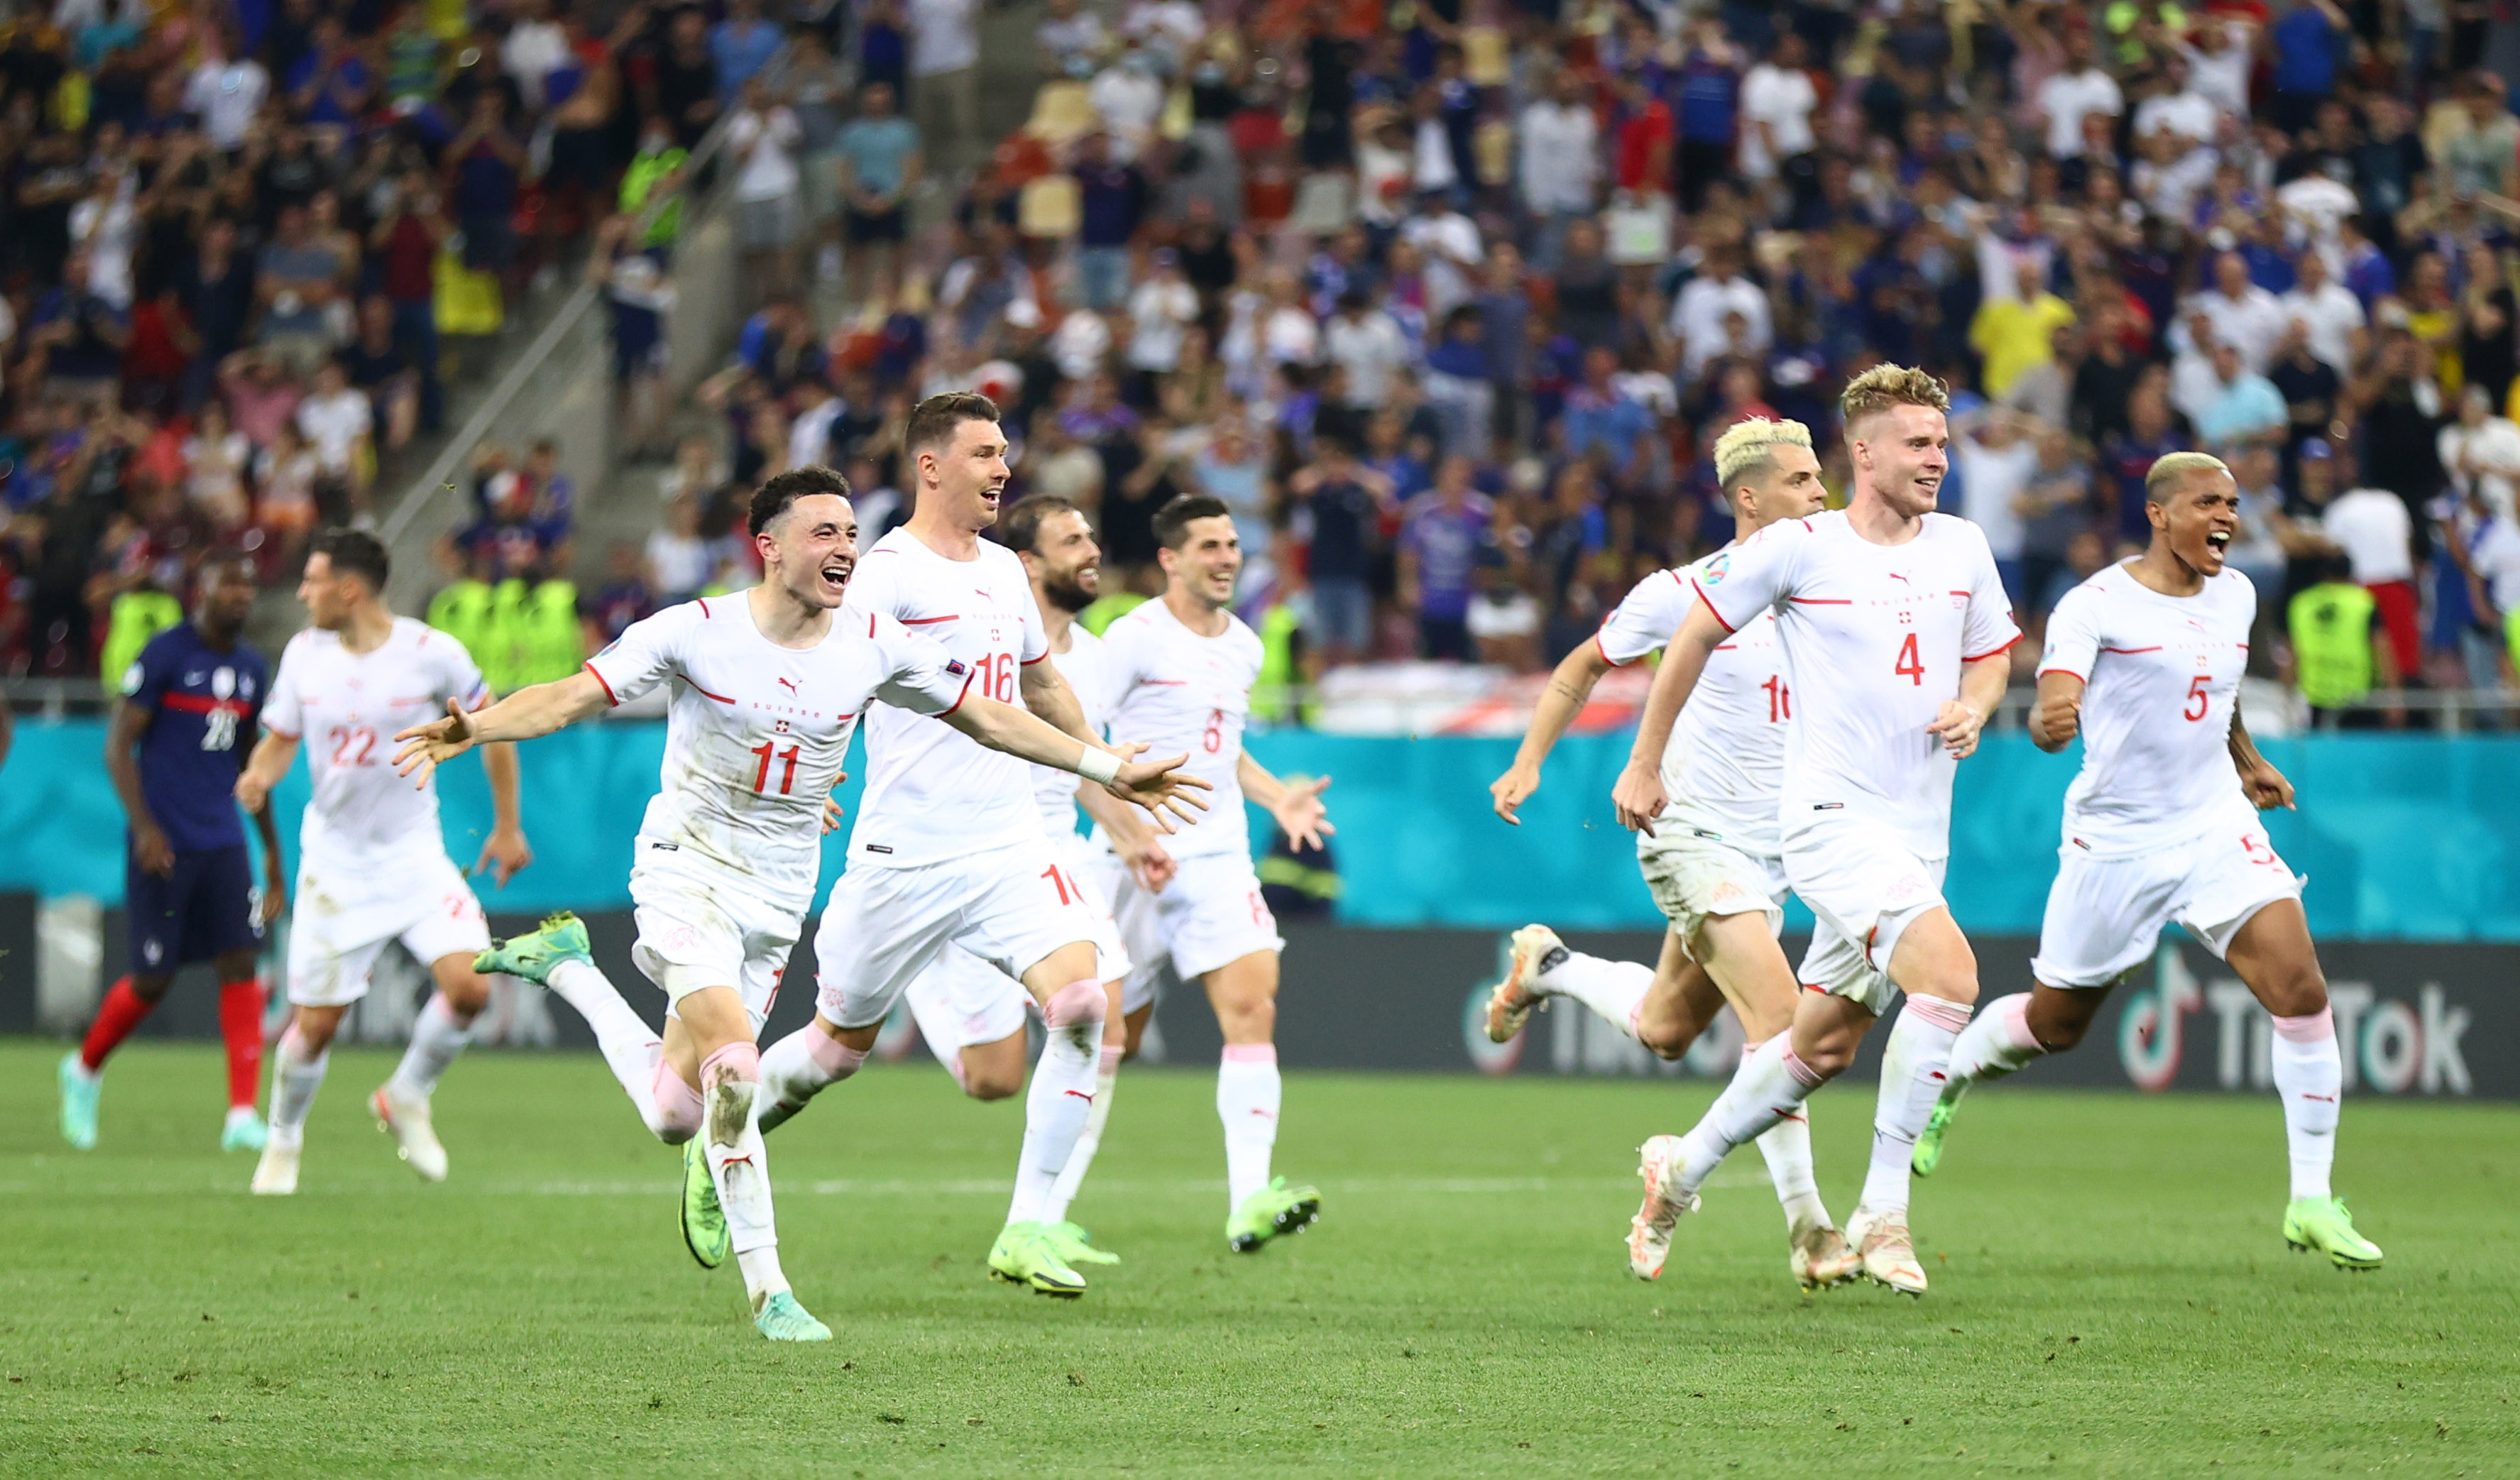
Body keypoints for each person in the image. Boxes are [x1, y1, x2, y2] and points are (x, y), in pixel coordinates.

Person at [395, 468, 1199, 1339]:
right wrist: (477, 726)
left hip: (778, 890)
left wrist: (1110, 769)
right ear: (768, 546)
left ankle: (570, 970)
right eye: (824, 533)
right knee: (737, 1069)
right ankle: (770, 1291)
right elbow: (568, 699)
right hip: (685, 869)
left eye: (850, 533)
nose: (845, 548)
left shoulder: (874, 643)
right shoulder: (693, 631)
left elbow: (992, 718)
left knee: (676, 1114)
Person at [748, 396, 1207, 1301]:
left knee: (1082, 1004)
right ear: (930, 466)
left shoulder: (1001, 569)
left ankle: (1026, 1226)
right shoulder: (883, 575)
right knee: (836, 1050)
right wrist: (806, 764)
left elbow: (1041, 685)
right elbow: (817, 671)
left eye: (1004, 452)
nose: (1003, 469)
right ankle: (728, 1133)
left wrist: (1109, 763)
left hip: (1008, 844)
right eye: (985, 454)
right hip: (905, 854)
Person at [1914, 454, 2382, 1271]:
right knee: (2053, 1026)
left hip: (2214, 826)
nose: (2226, 517)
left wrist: (2245, 761)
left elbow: (2218, 692)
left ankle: (2310, 1200)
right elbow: (2052, 706)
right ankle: (1947, 1079)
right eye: (2207, 503)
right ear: (2159, 514)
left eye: (2231, 503)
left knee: (2302, 992)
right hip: (2117, 842)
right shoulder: (2095, 603)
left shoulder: (2237, 594)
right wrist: (2054, 720)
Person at [1609, 366, 2020, 1298]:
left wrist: (1974, 703)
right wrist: (1645, 763)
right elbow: (1692, 636)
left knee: (1817, 1050)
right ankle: (1881, 1212)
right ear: (1862, 452)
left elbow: (1991, 653)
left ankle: (1680, 1170)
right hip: (1831, 824)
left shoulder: (1962, 546)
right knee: (1950, 977)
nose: (1937, 460)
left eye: (1941, 444)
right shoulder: (1798, 547)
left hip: (1918, 835)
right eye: (1917, 444)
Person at [1482, 419, 1860, 1290]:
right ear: (1749, 498)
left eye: (1820, 479)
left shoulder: (1832, 592)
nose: (1820, 494)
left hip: (1782, 849)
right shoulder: (1682, 592)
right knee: (1782, 1023)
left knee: (1664, 1028)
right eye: (1802, 481)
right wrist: (1529, 760)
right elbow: (1581, 667)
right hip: (1692, 833)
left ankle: (1550, 967)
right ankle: (1809, 1229)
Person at [894, 494, 1170, 1270]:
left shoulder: (1096, 660)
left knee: (1107, 1030)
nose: (1092, 551)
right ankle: (920, 968)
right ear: (1027, 563)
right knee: (993, 1081)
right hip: (977, 856)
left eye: (1091, 536)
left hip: (1060, 857)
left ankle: (1043, 1218)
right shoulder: (981, 644)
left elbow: (1086, 767)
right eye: (1072, 540)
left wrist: (1133, 838)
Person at [232, 530, 534, 1197]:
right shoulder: (304, 654)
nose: (302, 593)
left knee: (472, 987)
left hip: (414, 856)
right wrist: (257, 775)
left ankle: (407, 1093)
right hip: (335, 867)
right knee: (315, 1028)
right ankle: (284, 1138)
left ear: (349, 589)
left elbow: (494, 727)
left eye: (313, 581)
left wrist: (508, 825)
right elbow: (279, 741)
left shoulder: (431, 653)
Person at [1090, 493, 1335, 1254]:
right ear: (1170, 559)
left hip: (1218, 856)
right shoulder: (1132, 639)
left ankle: (1249, 1200)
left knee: (1253, 1005)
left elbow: (1222, 750)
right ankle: (1041, 1212)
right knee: (1107, 1042)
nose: (1227, 558)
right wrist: (1130, 835)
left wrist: (1276, 796)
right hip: (1131, 860)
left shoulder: (1246, 647)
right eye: (1209, 546)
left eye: (1232, 545)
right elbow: (1078, 744)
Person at [61, 554, 287, 1154]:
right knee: (153, 979)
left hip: (223, 839)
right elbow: (118, 746)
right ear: (200, 591)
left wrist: (271, 850)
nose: (241, 595)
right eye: (228, 584)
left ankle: (241, 1115)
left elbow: (252, 765)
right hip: (164, 841)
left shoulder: (251, 667)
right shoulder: (166, 653)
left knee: (241, 962)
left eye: (248, 585)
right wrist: (144, 827)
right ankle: (83, 1069)